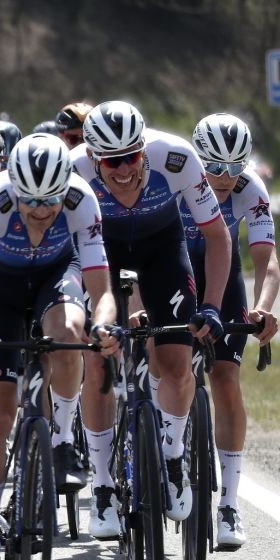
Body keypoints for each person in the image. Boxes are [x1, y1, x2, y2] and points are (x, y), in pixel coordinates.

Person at [0, 134, 120, 560]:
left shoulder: (81, 199)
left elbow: (102, 291)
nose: (41, 211)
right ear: (15, 189)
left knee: (69, 334)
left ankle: (62, 442)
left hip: (55, 276)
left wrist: (103, 326)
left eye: (50, 201)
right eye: (31, 201)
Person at [73, 100, 232, 535]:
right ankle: (103, 485)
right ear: (93, 158)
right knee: (97, 363)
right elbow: (62, 248)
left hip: (162, 250)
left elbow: (218, 237)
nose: (124, 169)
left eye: (131, 156)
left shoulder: (177, 159)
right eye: (112, 161)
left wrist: (212, 306)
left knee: (178, 363)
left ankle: (173, 455)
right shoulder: (73, 172)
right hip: (101, 255)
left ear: (144, 149)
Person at [181, 113, 278, 548]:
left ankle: (230, 505)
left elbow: (267, 262)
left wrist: (262, 308)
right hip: (176, 271)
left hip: (223, 275)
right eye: (215, 166)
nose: (225, 176)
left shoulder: (249, 189)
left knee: (226, 379)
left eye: (236, 166)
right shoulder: (177, 179)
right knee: (169, 367)